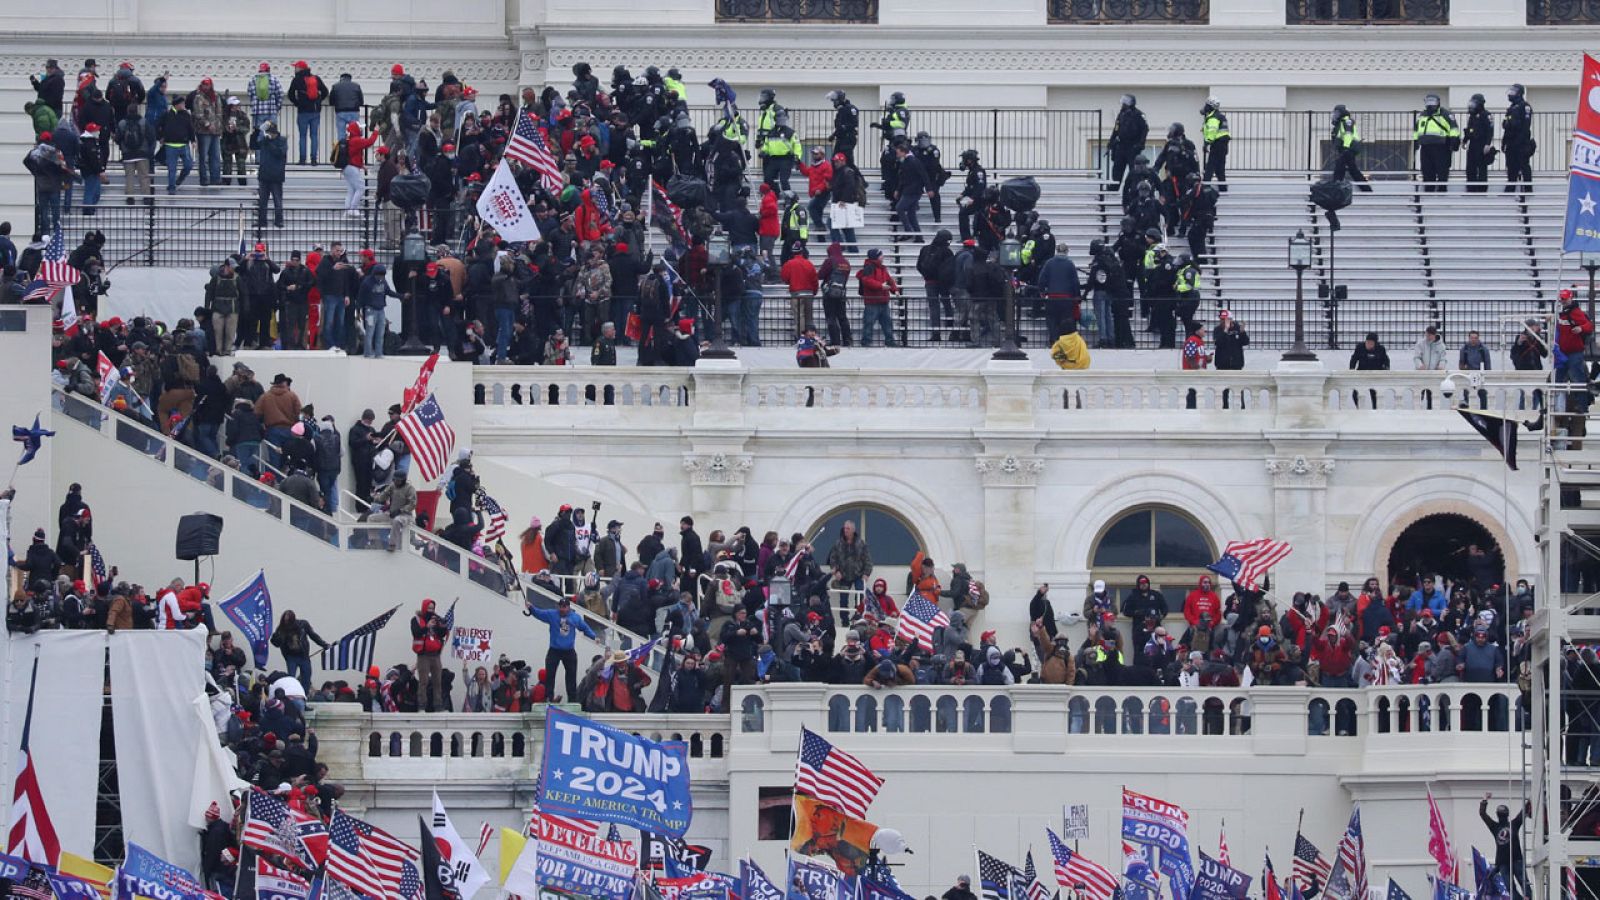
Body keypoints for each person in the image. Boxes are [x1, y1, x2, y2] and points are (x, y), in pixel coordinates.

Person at [529, 596, 596, 703]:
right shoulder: (552, 614)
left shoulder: (575, 617)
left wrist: (594, 636)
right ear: (558, 607)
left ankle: (572, 700)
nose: (562, 609)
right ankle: (548, 698)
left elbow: (584, 628)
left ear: (569, 607)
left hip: (569, 651)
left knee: (571, 677)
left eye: (564, 607)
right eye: (561, 607)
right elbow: (539, 613)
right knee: (550, 675)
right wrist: (531, 608)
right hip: (554, 650)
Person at [1479, 794, 1532, 900]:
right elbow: (1523, 812)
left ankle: (1526, 898)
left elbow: (1483, 814)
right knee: (1517, 885)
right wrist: (1530, 800)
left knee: (1516, 885)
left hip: (1509, 861)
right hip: (1509, 861)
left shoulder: (1498, 826)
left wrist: (1485, 800)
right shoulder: (1509, 825)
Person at [1413, 94, 1460, 193]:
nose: (1430, 105)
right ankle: (1428, 190)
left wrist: (1454, 140)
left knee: (1442, 169)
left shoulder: (1446, 114)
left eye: (1433, 102)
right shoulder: (1422, 115)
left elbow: (1454, 128)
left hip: (1441, 146)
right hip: (1425, 146)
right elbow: (1416, 130)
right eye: (1428, 102)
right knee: (1427, 170)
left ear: (1438, 103)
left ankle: (1442, 190)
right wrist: (1415, 141)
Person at [269, 610, 328, 687]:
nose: (286, 623)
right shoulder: (281, 628)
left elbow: (313, 636)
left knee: (306, 678)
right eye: (285, 621)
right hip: (291, 657)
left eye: (288, 621)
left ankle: (304, 695)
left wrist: (324, 644)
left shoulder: (303, 624)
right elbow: (276, 644)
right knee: (291, 679)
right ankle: (292, 693)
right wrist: (275, 638)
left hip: (304, 656)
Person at [856, 249, 900, 347]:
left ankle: (889, 341)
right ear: (876, 257)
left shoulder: (882, 268)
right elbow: (867, 281)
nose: (883, 256)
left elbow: (889, 280)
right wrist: (881, 286)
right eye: (881, 255)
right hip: (873, 301)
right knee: (870, 323)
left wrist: (894, 289)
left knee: (887, 323)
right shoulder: (869, 268)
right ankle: (867, 341)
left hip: (881, 300)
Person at [918, 229, 956, 341]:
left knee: (934, 307)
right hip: (944, 283)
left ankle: (936, 333)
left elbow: (919, 265)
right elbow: (950, 269)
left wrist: (926, 275)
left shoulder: (925, 249)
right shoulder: (947, 252)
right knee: (947, 303)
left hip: (929, 282)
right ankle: (950, 324)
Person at [1107, 93, 1149, 188]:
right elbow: (1116, 129)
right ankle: (1114, 187)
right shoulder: (1121, 114)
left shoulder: (1139, 115)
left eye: (1125, 103)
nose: (1123, 105)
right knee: (1117, 168)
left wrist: (1140, 144)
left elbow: (1145, 130)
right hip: (1121, 145)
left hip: (1133, 147)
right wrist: (1111, 141)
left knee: (1133, 169)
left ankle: (1133, 188)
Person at [251, 121, 287, 229]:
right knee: (262, 201)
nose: (269, 135)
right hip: (264, 175)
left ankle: (279, 221)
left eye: (271, 133)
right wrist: (256, 132)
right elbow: (253, 145)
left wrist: (270, 143)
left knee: (277, 200)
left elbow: (280, 153)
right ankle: (262, 221)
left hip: (276, 176)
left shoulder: (282, 141)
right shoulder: (264, 141)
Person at [1330, 105, 1372, 193]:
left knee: (1340, 167)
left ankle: (1336, 187)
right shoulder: (1341, 123)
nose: (1335, 115)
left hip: (1348, 149)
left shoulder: (1347, 121)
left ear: (1342, 113)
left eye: (1337, 113)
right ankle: (1366, 189)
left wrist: (1346, 147)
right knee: (1351, 169)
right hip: (1347, 150)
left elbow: (1348, 135)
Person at [1502, 84, 1534, 194]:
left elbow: (1525, 126)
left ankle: (1528, 189)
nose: (1510, 94)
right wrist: (1504, 142)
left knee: (1524, 166)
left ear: (1519, 93)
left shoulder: (1525, 107)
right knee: (1511, 167)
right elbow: (1506, 126)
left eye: (1513, 91)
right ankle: (1510, 189)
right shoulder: (1511, 108)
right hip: (1510, 142)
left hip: (1521, 142)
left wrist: (1520, 142)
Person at [1462, 93, 1494, 193]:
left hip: (1482, 144)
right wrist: (1464, 140)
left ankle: (1482, 189)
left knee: (1482, 168)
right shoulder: (1472, 116)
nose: (1472, 105)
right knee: (1470, 167)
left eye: (1474, 103)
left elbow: (1490, 131)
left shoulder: (1486, 115)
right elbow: (1469, 129)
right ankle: (1471, 188)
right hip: (1473, 144)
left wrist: (1487, 144)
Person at [1200, 97, 1229, 190]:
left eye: (1207, 105)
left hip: (1217, 145)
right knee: (1220, 168)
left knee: (1210, 167)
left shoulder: (1213, 118)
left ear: (1210, 107)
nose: (1205, 107)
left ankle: (1205, 186)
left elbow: (1212, 131)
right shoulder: (1220, 116)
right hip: (1223, 145)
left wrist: (1206, 143)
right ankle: (1223, 188)